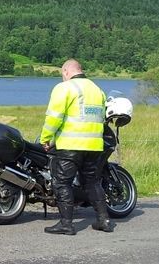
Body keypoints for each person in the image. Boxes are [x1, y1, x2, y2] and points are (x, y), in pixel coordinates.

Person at [40, 59, 112, 235]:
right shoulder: (97, 90)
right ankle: (104, 220)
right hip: (94, 145)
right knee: (93, 183)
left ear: (66, 71)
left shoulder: (64, 88)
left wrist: (46, 138)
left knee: (62, 183)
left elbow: (54, 118)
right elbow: (102, 118)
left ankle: (66, 224)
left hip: (70, 145)